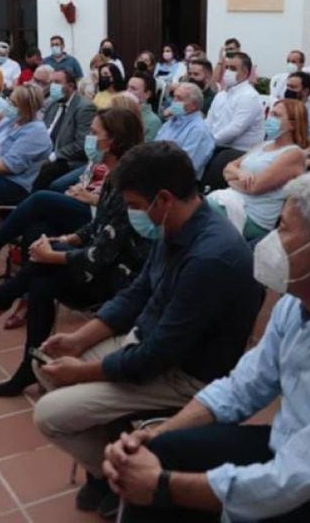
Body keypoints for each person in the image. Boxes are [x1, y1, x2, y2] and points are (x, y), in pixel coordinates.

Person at [107, 172, 310, 523]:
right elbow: (243, 386)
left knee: (164, 487)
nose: (270, 239)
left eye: (283, 228)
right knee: (158, 453)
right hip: (293, 450)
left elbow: (292, 480)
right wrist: (154, 436)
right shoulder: (298, 303)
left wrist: (163, 486)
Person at [31, 141, 262, 516]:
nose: (136, 215)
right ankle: (110, 454)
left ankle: (116, 476)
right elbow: (138, 293)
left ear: (165, 198)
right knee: (49, 361)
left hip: (185, 375)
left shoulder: (210, 258)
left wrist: (85, 370)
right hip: (149, 347)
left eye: (137, 206)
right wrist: (77, 340)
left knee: (50, 415)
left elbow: (158, 356)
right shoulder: (176, 225)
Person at [0, 108, 150, 396]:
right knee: (40, 281)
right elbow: (95, 227)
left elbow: (101, 256)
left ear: (111, 141)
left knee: (44, 262)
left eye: (94, 133)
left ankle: (3, 296)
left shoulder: (130, 184)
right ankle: (29, 365)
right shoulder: (113, 175)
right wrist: (63, 239)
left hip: (118, 279)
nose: (89, 138)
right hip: (97, 264)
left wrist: (54, 253)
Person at [211, 99, 308, 241]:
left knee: (201, 211)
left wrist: (230, 179)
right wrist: (239, 173)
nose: (270, 118)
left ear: (292, 124)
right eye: (270, 113)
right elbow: (228, 168)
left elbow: (255, 187)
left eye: (276, 115)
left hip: (254, 217)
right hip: (233, 200)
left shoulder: (293, 154)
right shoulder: (264, 144)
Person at [0, 83, 53, 208]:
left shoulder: (36, 132)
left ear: (27, 107)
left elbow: (7, 167)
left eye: (14, 104)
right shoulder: (9, 120)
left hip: (13, 184)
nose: (9, 106)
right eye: (10, 101)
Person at [201, 52, 263, 190]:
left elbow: (236, 129)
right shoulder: (221, 95)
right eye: (227, 67)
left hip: (239, 149)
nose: (228, 72)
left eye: (233, 68)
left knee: (217, 163)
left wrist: (210, 141)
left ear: (246, 72)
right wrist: (203, 138)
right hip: (216, 144)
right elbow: (209, 121)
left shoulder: (249, 96)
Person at [33, 69, 96, 191]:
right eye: (51, 82)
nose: (53, 86)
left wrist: (54, 155)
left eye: (57, 82)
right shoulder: (53, 104)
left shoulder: (84, 107)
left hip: (67, 160)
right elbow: (43, 130)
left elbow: (81, 144)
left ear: (71, 86)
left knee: (47, 171)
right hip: (45, 152)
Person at [157, 83, 216, 179]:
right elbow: (154, 146)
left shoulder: (198, 129)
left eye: (179, 99)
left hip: (178, 180)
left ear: (193, 105)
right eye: (174, 97)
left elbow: (183, 165)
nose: (174, 101)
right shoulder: (172, 121)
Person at [282, 71, 310, 137]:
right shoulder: (280, 109)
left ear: (305, 91)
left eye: (293, 87)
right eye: (288, 86)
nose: (288, 90)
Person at [126, 72, 162, 141]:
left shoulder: (153, 122)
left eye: (133, 89)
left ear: (147, 94)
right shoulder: (120, 111)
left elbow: (146, 150)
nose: (128, 91)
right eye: (127, 87)